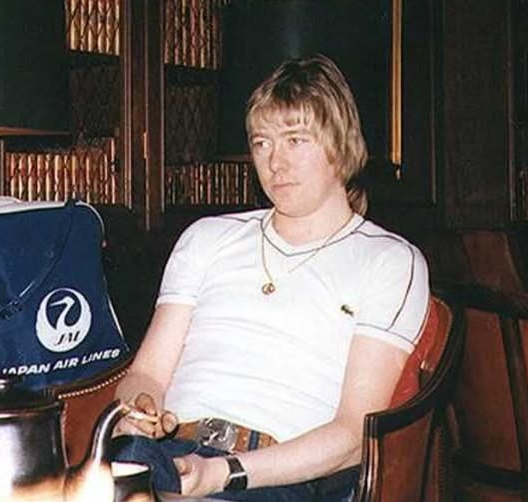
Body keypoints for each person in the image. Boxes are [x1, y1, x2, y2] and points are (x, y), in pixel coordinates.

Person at [110, 54, 430, 501]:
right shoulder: (207, 238)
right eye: (262, 143)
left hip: (273, 475)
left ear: (340, 144)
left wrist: (222, 473)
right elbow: (146, 373)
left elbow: (353, 434)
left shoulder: (388, 260)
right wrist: (139, 405)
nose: (275, 161)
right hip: (167, 455)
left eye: (295, 140)